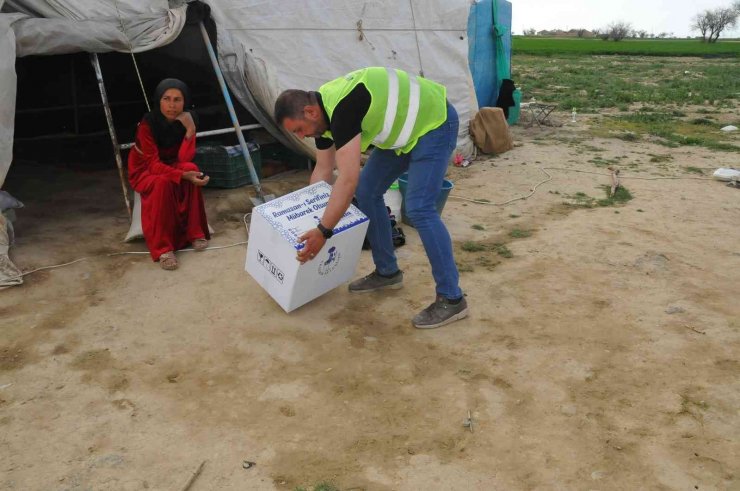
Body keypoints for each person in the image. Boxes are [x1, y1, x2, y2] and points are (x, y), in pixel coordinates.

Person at [274, 67, 468, 329]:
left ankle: (452, 298)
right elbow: (322, 171)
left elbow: (347, 178)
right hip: (402, 136)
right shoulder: (323, 120)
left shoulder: (343, 109)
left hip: (435, 123)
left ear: (310, 112)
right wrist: (308, 217)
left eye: (299, 129)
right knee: (367, 192)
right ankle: (387, 272)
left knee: (419, 208)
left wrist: (323, 231)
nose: (301, 136)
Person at [128, 78, 210, 270]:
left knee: (191, 167)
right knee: (163, 182)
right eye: (166, 99)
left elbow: (184, 157)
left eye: (177, 100)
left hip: (170, 163)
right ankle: (163, 248)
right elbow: (153, 165)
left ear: (185, 102)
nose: (171, 106)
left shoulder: (188, 119)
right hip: (145, 168)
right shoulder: (148, 124)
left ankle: (195, 233)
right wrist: (182, 175)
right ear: (159, 100)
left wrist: (190, 129)